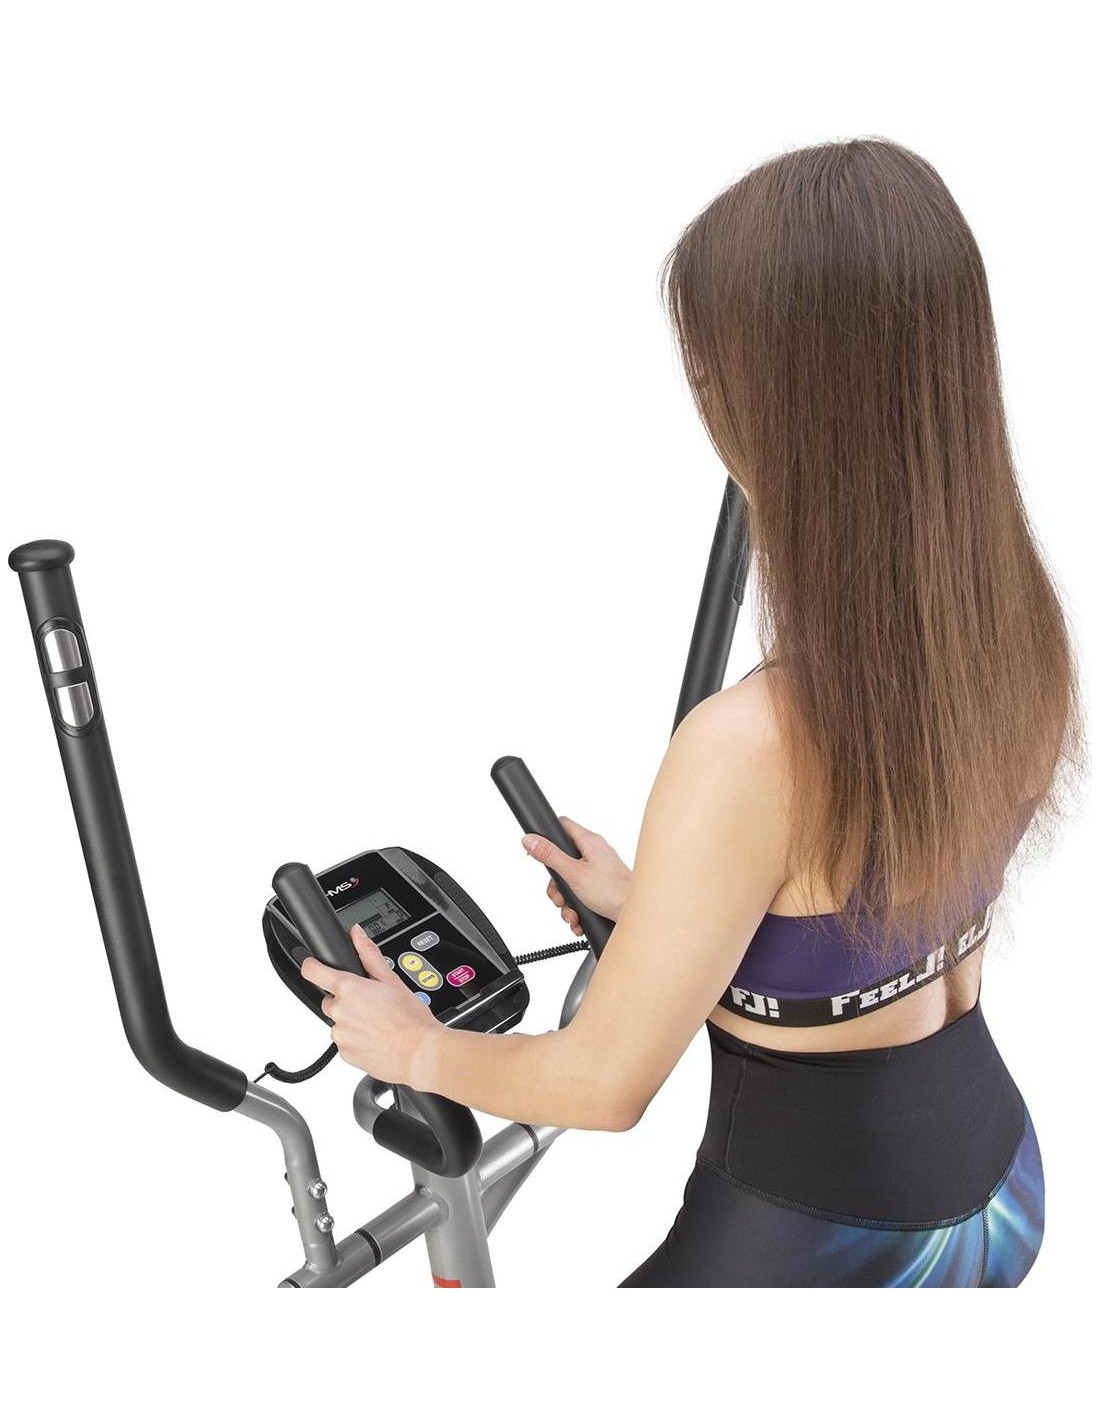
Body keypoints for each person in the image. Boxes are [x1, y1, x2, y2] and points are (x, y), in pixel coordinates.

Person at [304, 137, 1086, 1286]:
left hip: (821, 1255)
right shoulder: (1016, 633)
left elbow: (600, 1086)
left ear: (766, 407)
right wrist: (671, 910)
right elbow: (886, 914)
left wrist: (411, 1046)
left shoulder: (749, 746)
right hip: (995, 1193)